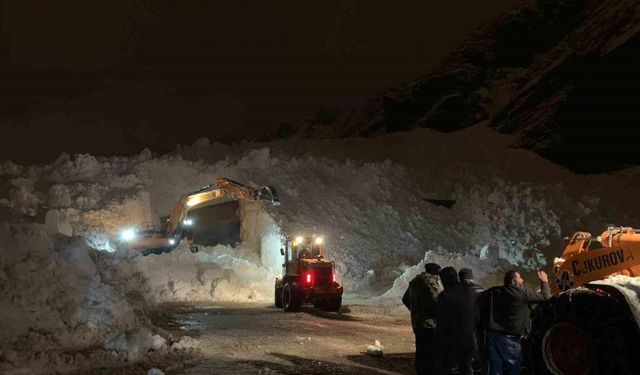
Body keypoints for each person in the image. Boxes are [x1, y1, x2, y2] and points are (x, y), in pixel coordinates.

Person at [477, 270, 551, 375]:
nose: (522, 280)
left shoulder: (494, 291)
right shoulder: (522, 293)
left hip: (492, 336)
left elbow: (479, 298)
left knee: (495, 369)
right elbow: (546, 296)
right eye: (520, 278)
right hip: (510, 339)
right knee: (513, 368)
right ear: (513, 281)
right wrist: (544, 281)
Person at [437, 267, 480, 375]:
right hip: (474, 336)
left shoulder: (445, 295)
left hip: (454, 339)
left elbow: (442, 321)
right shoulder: (470, 291)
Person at [402, 263, 443, 375]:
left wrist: (416, 312)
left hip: (417, 323)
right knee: (431, 353)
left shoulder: (415, 282)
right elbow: (437, 303)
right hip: (429, 324)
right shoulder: (430, 282)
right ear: (435, 273)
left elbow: (405, 299)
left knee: (420, 351)